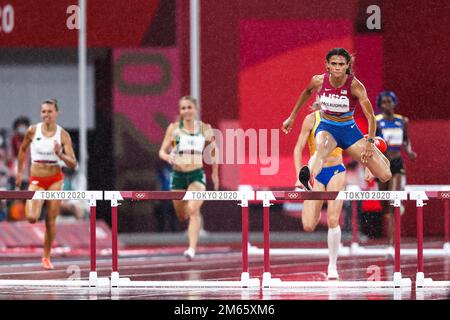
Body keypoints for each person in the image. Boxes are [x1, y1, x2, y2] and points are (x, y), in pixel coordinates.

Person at [282, 48, 392, 191]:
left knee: (385, 175)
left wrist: (370, 142)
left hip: (349, 131)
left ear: (347, 65)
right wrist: (292, 117)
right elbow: (306, 93)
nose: (337, 68)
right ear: (327, 65)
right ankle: (309, 174)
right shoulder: (319, 80)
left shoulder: (355, 86)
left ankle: (377, 145)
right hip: (327, 128)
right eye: (334, 64)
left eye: (341, 64)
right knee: (321, 149)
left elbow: (371, 117)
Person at [16, 99, 77, 269]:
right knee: (31, 217)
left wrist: (60, 154)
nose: (46, 115)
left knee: (51, 220)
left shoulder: (62, 134)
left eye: (50, 111)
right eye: (43, 112)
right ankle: (37, 209)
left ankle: (46, 256)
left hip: (55, 180)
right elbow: (22, 149)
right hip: (37, 179)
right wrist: (20, 172)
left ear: (56, 113)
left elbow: (73, 163)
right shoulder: (32, 131)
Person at [159, 96, 219, 260]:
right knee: (182, 215)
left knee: (193, 210)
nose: (186, 111)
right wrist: (167, 157)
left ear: (196, 109)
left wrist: (214, 172)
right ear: (180, 111)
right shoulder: (173, 129)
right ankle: (192, 224)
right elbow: (162, 151)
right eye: (183, 108)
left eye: (189, 107)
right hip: (178, 175)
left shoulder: (205, 128)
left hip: (196, 175)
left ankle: (191, 249)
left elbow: (214, 151)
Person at [294, 103, 346, 280]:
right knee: (308, 225)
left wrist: (369, 166)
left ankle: (332, 265)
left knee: (333, 219)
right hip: (315, 173)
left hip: (336, 171)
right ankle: (316, 211)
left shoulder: (343, 117)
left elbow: (356, 144)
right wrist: (297, 176)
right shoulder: (311, 120)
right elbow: (297, 149)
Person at [375, 90, 417, 243]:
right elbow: (371, 142)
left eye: (389, 101)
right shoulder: (376, 121)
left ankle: (393, 242)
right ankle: (388, 210)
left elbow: (406, 140)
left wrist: (409, 151)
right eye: (384, 102)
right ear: (380, 104)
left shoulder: (402, 121)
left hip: (397, 162)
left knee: (393, 199)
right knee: (384, 201)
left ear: (394, 103)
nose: (387, 104)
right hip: (382, 164)